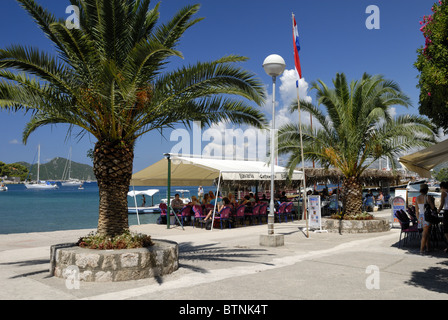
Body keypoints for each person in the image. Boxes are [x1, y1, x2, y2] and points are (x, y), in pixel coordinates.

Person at [416, 183, 435, 254]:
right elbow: (432, 207)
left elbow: (416, 211)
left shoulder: (417, 198)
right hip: (426, 217)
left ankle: (428, 248)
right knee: (425, 233)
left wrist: (418, 219)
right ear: (426, 190)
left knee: (426, 233)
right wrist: (433, 201)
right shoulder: (428, 197)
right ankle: (421, 249)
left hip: (420, 216)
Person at [438, 181, 448, 252]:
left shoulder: (444, 193)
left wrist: (437, 211)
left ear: (442, 187)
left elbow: (442, 204)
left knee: (446, 230)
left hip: (447, 212)